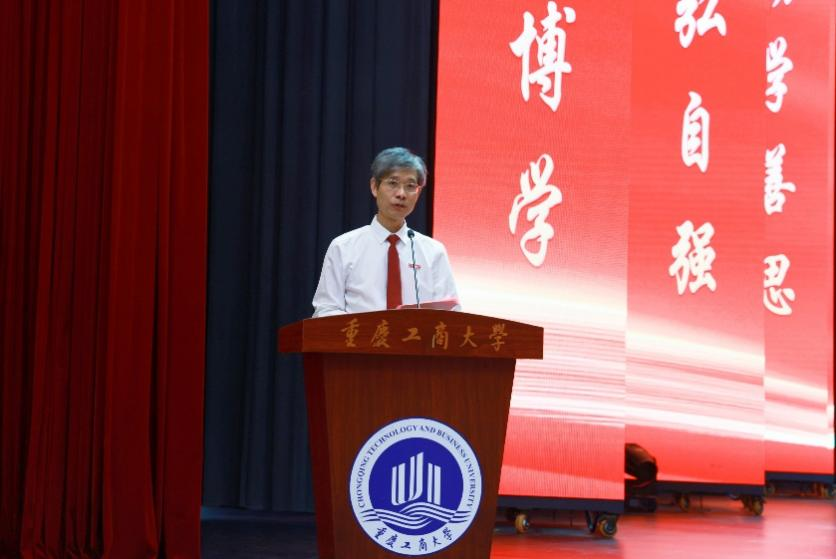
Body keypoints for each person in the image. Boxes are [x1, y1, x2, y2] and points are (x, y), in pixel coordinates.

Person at [312, 147, 460, 317]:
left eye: (410, 186)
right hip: (362, 334)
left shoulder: (433, 251)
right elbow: (326, 309)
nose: (401, 194)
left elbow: (451, 314)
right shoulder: (344, 247)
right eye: (392, 183)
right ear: (374, 187)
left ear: (418, 193)